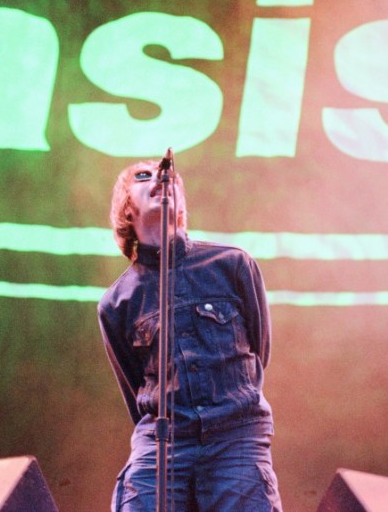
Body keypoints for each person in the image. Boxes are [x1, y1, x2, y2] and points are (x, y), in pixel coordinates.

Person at [97, 159, 282, 511]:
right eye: (142, 176)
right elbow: (134, 386)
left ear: (180, 203)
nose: (157, 178)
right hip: (164, 443)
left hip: (235, 434)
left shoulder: (232, 264)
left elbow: (260, 352)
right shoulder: (116, 302)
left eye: (166, 177)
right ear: (126, 208)